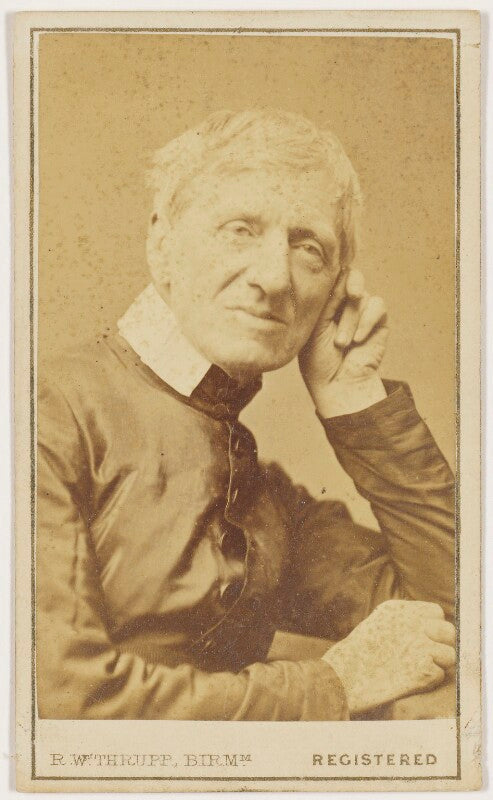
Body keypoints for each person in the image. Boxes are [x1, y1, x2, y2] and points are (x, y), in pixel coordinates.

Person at [37, 109, 456, 721]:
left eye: (308, 249)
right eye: (240, 230)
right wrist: (331, 686)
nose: (275, 277)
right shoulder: (44, 415)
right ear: (162, 242)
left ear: (334, 290)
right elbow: (59, 703)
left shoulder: (265, 497)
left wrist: (355, 401)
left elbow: (458, 614)